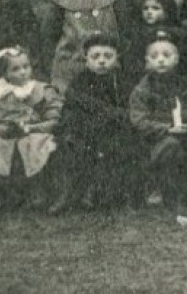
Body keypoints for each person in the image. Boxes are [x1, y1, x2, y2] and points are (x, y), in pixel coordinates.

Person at [0, 46, 62, 206]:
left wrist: (31, 128)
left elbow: (54, 119)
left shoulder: (42, 90)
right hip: (6, 133)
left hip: (33, 131)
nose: (23, 72)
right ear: (4, 73)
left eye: (26, 67)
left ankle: (37, 192)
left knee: (35, 144)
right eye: (15, 69)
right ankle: (1, 194)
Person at [53, 33, 139, 213]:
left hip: (112, 130)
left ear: (116, 59)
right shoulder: (80, 81)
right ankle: (71, 194)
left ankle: (109, 194)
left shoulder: (120, 82)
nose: (101, 61)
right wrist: (102, 112)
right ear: (86, 60)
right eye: (95, 57)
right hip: (85, 130)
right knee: (73, 149)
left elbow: (127, 109)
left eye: (108, 57)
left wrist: (113, 115)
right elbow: (73, 104)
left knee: (118, 148)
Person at [127, 36, 187, 208]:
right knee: (170, 146)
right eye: (154, 57)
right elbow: (139, 121)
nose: (160, 60)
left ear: (176, 59)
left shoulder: (185, 85)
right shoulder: (142, 89)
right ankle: (157, 187)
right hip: (154, 140)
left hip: (185, 132)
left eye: (166, 55)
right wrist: (168, 129)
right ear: (147, 61)